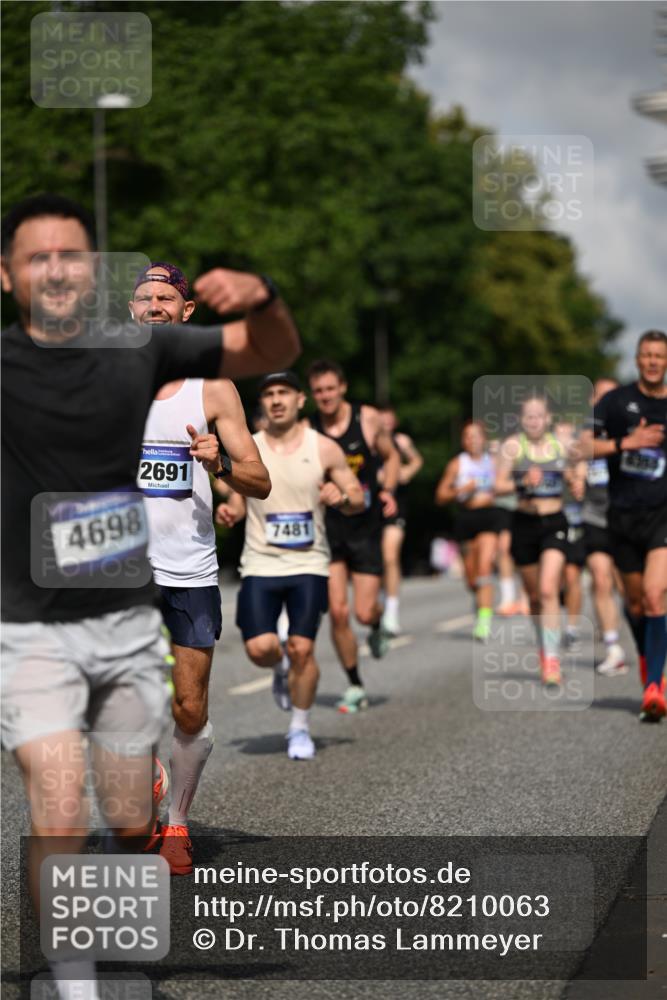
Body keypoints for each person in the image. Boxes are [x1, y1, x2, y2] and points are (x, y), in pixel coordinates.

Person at [0, 194, 299, 999]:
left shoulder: (174, 374)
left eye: (73, 257)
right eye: (37, 257)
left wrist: (262, 296)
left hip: (167, 585)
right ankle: (74, 983)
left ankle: (158, 814)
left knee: (150, 779)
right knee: (57, 806)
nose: (56, 270)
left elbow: (264, 380)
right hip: (54, 612)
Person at [132, 262, 271, 875]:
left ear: (187, 312)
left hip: (189, 569)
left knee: (188, 709)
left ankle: (178, 823)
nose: (155, 305)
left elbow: (258, 479)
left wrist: (218, 466)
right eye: (145, 297)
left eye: (167, 297)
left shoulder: (212, 389)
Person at [216, 371, 364, 757]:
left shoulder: (325, 448)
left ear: (301, 400)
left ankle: (299, 728)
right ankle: (279, 669)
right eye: (269, 394)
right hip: (261, 562)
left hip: (309, 563)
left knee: (302, 648)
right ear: (262, 403)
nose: (276, 399)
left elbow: (357, 496)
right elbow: (237, 496)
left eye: (284, 392)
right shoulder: (249, 448)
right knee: (261, 649)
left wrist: (342, 496)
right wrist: (230, 512)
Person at [307, 360, 399, 713]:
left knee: (361, 612)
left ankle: (376, 625)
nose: (325, 396)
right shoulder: (310, 427)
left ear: (342, 387)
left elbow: (391, 457)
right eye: (318, 391)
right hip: (328, 526)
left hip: (365, 523)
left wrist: (388, 489)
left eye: (330, 388)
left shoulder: (368, 419)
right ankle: (355, 684)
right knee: (339, 612)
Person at [592, 331, 667, 722]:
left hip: (662, 516)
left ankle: (655, 685)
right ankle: (647, 661)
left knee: (656, 597)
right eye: (647, 355)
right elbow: (583, 447)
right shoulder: (615, 402)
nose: (653, 361)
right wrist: (627, 442)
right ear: (637, 359)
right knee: (636, 605)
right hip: (621, 516)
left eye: (659, 356)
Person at [495, 395, 573, 686]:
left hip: (554, 521)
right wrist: (522, 481)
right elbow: (498, 486)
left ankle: (552, 659)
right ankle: (545, 647)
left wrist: (575, 479)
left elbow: (577, 472)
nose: (533, 421)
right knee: (536, 597)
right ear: (521, 419)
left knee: (548, 588)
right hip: (524, 523)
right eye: (528, 416)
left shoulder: (561, 445)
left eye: (538, 416)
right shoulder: (513, 446)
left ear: (548, 418)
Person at [435, 421, 502, 641]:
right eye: (467, 436)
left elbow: (507, 485)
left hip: (489, 517)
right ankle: (480, 600)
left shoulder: (494, 462)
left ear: (484, 439)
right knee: (471, 578)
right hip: (466, 518)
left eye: (476, 436)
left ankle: (484, 621)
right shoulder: (457, 464)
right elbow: (441, 496)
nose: (472, 440)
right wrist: (463, 489)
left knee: (485, 568)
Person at [580, 378, 627, 676]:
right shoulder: (584, 435)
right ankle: (613, 648)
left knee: (629, 589)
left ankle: (644, 634)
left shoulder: (635, 431)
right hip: (594, 514)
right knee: (600, 579)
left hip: (628, 516)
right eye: (602, 396)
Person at [377, 405, 423, 636]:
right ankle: (381, 600)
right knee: (375, 560)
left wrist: (404, 473)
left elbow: (417, 460)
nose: (385, 423)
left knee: (390, 555)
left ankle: (392, 612)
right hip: (370, 508)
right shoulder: (367, 439)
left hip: (396, 506)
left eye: (388, 419)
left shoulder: (401, 440)